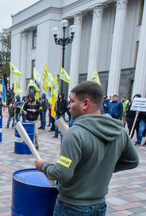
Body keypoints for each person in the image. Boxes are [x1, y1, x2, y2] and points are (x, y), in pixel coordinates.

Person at [35, 81, 138, 215]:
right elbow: (132, 161)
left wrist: (43, 166)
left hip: (71, 206)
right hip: (99, 206)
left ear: (85, 103)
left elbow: (62, 173)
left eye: (72, 101)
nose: (69, 106)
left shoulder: (75, 133)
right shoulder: (120, 131)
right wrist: (100, 168)